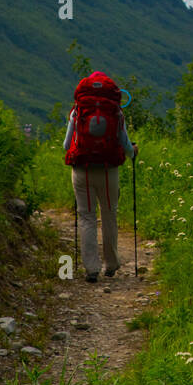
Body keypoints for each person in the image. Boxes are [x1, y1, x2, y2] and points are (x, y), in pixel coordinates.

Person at [63, 70, 138, 283]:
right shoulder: (116, 113)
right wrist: (133, 151)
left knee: (86, 216)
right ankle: (111, 264)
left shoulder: (77, 112)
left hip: (81, 171)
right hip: (108, 171)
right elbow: (125, 145)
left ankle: (91, 269)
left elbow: (67, 145)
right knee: (109, 214)